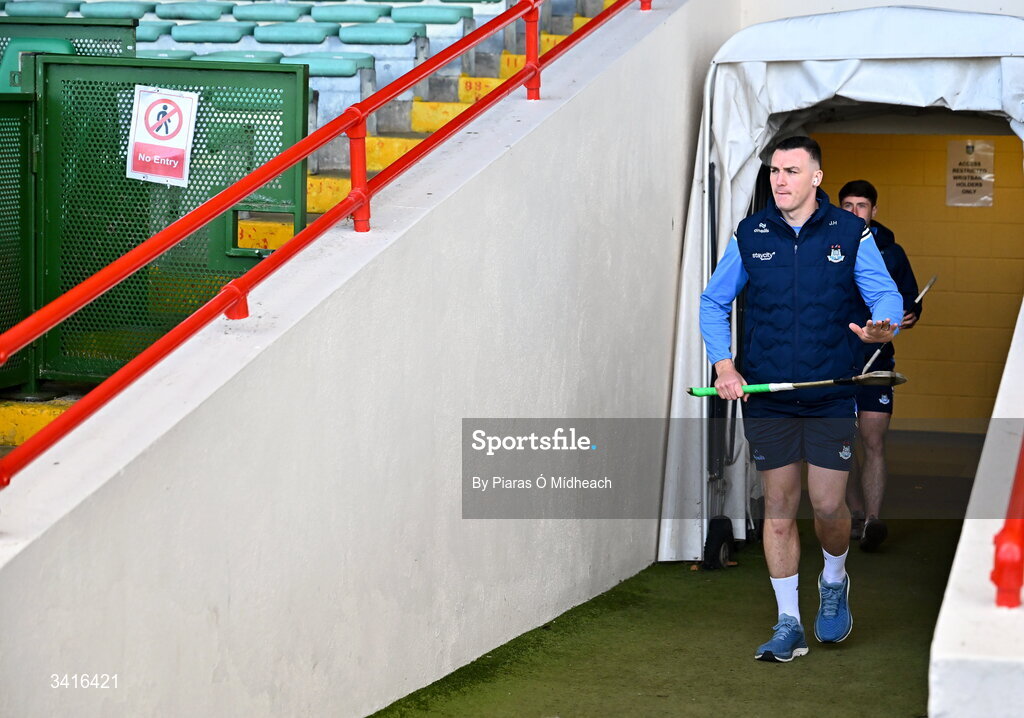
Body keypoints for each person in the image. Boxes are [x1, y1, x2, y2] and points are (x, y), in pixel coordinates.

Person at [699, 136, 903, 663]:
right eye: (774, 171)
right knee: (780, 507)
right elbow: (713, 302)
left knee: (829, 504)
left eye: (791, 170)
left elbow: (885, 293)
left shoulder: (850, 232)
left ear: (816, 178)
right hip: (767, 394)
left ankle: (834, 579)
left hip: (830, 391)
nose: (780, 180)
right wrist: (724, 365)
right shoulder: (750, 234)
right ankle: (788, 620)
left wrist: (882, 325)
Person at [839, 180, 922, 552]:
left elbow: (910, 303)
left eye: (862, 206)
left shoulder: (892, 252)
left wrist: (910, 315)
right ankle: (855, 514)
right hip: (834, 362)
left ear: (873, 211)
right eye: (848, 205)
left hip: (876, 364)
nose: (854, 212)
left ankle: (872, 520)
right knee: (843, 443)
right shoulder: (824, 247)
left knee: (872, 440)